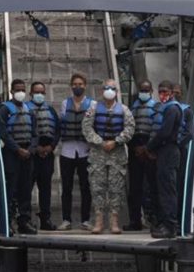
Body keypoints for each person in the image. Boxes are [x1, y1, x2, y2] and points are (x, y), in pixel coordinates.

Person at [82, 79, 135, 234]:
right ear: (102, 90)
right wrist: (100, 141)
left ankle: (114, 222)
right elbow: (86, 127)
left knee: (116, 188)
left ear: (116, 91)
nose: (109, 90)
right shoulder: (93, 108)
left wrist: (117, 141)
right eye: (106, 88)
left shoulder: (124, 110)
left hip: (117, 154)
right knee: (97, 187)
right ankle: (98, 221)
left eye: (112, 88)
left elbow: (130, 128)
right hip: (98, 153)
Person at [0, 79, 37, 235]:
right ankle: (7, 222)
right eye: (18, 90)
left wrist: (31, 149)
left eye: (23, 90)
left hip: (27, 154)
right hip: (11, 154)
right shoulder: (4, 109)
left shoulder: (29, 109)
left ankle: (24, 221)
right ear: (12, 92)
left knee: (25, 189)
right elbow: (2, 132)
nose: (21, 93)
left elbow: (35, 132)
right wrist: (17, 149)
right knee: (10, 190)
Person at [145, 80, 183, 239]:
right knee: (163, 188)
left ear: (172, 93)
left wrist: (150, 147)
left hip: (169, 150)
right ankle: (166, 223)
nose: (162, 95)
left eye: (166, 92)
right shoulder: (167, 108)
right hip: (164, 151)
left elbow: (165, 133)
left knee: (168, 189)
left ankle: (170, 225)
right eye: (160, 92)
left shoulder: (172, 109)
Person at [58, 73, 93, 230]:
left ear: (85, 86)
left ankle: (86, 220)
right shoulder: (65, 103)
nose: (77, 86)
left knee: (86, 186)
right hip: (67, 151)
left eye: (80, 84)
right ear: (71, 86)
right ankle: (66, 219)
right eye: (75, 84)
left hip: (86, 150)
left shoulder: (92, 104)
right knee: (67, 187)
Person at [26, 81, 60, 231]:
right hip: (32, 154)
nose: (39, 95)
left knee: (45, 188)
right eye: (36, 92)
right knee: (26, 187)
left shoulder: (51, 111)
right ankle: (25, 219)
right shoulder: (25, 109)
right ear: (31, 93)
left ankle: (45, 219)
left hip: (48, 154)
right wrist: (36, 148)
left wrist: (50, 147)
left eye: (41, 92)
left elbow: (58, 131)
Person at [125, 80, 157, 231]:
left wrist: (146, 148)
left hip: (149, 151)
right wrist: (134, 147)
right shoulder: (133, 108)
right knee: (135, 188)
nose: (143, 92)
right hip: (134, 150)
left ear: (151, 90)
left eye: (146, 90)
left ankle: (153, 220)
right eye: (141, 90)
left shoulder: (156, 108)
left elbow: (156, 129)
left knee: (151, 187)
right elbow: (128, 129)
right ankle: (135, 221)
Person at [172, 83, 194, 212]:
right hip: (166, 151)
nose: (175, 95)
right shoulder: (165, 108)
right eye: (173, 92)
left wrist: (177, 143)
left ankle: (180, 216)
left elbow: (189, 133)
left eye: (178, 92)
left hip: (181, 150)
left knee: (180, 184)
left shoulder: (187, 110)